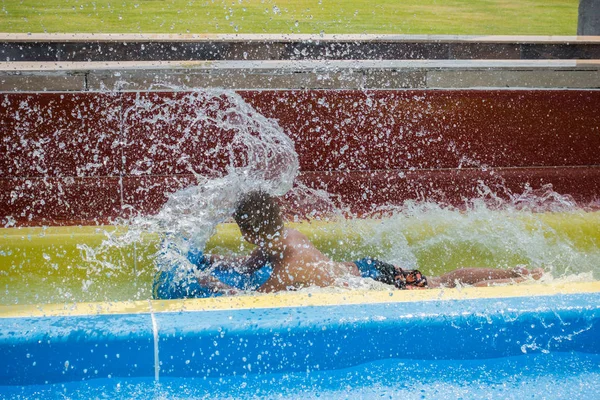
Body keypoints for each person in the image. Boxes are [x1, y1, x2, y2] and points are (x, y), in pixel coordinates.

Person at [153, 191, 543, 299]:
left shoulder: (291, 266)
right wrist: (208, 259)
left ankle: (518, 276)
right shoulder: (282, 238)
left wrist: (213, 284)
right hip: (364, 267)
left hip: (372, 285)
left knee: (439, 286)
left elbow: (249, 299)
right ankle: (516, 272)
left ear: (248, 230)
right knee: (437, 281)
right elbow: (248, 264)